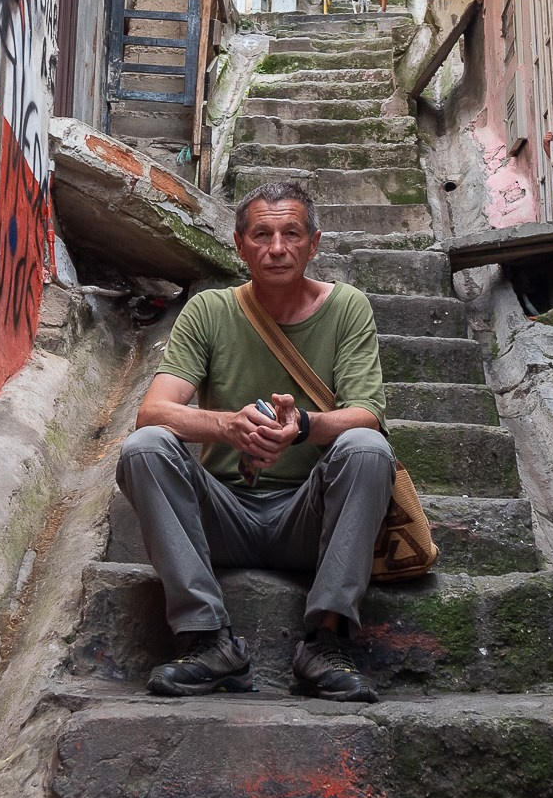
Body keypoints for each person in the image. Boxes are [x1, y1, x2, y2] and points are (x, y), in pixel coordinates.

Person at [116, 181, 395, 703]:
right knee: (145, 447)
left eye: (291, 233)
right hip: (222, 515)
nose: (277, 248)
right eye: (261, 234)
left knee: (367, 448)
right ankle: (207, 639)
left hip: (308, 518)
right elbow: (151, 410)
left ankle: (326, 640)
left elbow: (368, 414)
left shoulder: (349, 308)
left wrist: (303, 428)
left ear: (314, 244)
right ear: (240, 246)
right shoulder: (209, 310)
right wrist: (228, 426)